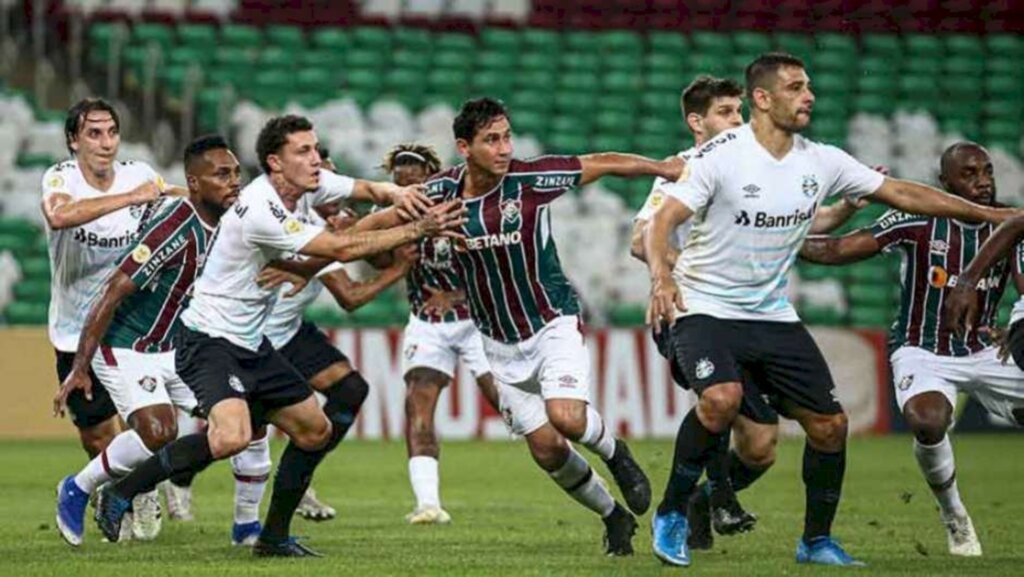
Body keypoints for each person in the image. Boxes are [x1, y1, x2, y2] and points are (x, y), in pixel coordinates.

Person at [644, 53, 1018, 568]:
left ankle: (816, 541)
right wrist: (662, 278)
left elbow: (903, 193)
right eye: (796, 87)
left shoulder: (821, 159)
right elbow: (661, 221)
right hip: (704, 305)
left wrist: (990, 215)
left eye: (809, 86)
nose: (809, 96)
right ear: (762, 98)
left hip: (771, 313)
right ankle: (671, 515)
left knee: (830, 427)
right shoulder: (721, 156)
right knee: (722, 398)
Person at [92, 114, 464, 558]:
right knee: (232, 437)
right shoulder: (259, 208)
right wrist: (416, 229)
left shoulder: (307, 185)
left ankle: (272, 537)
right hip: (209, 341)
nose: (314, 159)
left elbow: (361, 190)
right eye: (303, 151)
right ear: (275, 162)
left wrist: (394, 191)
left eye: (316, 147)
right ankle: (122, 491)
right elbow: (341, 248)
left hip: (252, 345)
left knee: (314, 429)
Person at [424, 97, 684, 556]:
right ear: (464, 147)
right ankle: (613, 516)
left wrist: (659, 167)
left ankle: (617, 455)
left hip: (551, 323)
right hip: (496, 343)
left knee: (566, 417)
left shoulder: (529, 179)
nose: (505, 148)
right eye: (492, 140)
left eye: (507, 136)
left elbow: (600, 162)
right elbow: (392, 219)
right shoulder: (439, 194)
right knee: (546, 450)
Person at [630, 75, 865, 550]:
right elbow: (642, 238)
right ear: (697, 123)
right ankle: (712, 498)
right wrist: (684, 273)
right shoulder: (684, 169)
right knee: (721, 397)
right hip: (689, 310)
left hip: (757, 318)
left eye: (739, 111)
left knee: (759, 449)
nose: (736, 120)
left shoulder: (759, 165)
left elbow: (808, 217)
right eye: (725, 112)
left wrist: (843, 210)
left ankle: (708, 500)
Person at [800, 142, 1019, 557]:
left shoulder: (1009, 224)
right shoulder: (919, 218)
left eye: (987, 171)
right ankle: (954, 515)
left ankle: (1009, 408)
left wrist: (1016, 326)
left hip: (987, 350)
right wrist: (781, 240)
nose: (983, 181)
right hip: (923, 348)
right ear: (945, 182)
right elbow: (841, 248)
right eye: (969, 174)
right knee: (928, 419)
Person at [53, 135, 274, 546]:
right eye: (221, 174)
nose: (233, 182)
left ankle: (246, 527)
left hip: (182, 348)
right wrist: (80, 367)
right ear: (194, 182)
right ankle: (78, 488)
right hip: (128, 345)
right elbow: (113, 291)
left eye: (235, 174)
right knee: (159, 431)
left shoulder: (235, 223)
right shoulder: (175, 228)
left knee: (253, 414)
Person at [259, 143, 422, 523]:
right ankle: (177, 477)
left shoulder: (331, 222)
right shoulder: (296, 226)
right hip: (258, 335)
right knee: (247, 426)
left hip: (291, 329)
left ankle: (299, 479)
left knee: (349, 390)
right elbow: (349, 296)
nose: (335, 192)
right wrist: (398, 270)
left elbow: (365, 238)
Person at [41, 97, 175, 538]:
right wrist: (130, 199)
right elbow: (60, 216)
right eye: (93, 133)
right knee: (98, 438)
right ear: (73, 141)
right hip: (75, 332)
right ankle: (124, 487)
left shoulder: (141, 173)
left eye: (111, 132)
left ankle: (141, 488)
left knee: (152, 424)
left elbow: (172, 200)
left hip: (130, 327)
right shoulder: (61, 178)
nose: (105, 142)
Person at [371, 143, 501, 525]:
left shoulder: (461, 208)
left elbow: (495, 264)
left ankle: (564, 453)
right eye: (401, 185)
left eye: (416, 182)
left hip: (475, 319)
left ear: (431, 175)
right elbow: (374, 259)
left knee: (506, 402)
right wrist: (389, 253)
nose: (410, 191)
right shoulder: (391, 216)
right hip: (427, 323)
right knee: (418, 405)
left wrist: (457, 293)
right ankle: (428, 504)